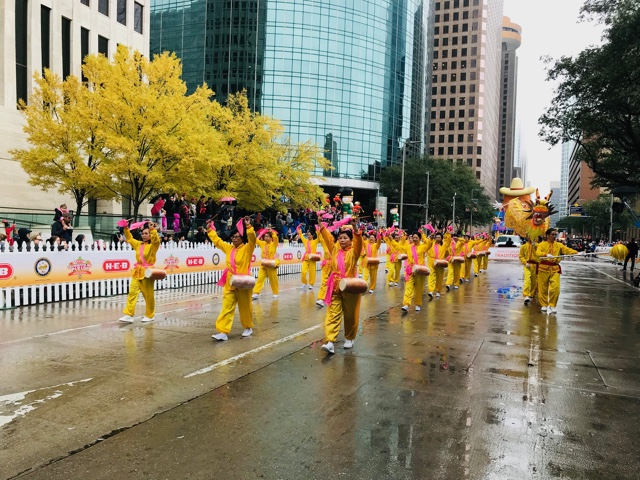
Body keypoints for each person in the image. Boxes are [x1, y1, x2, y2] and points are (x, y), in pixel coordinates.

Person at [318, 218, 363, 354]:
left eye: (345, 238)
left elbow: (359, 242)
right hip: (335, 287)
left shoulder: (354, 252)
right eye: (340, 238)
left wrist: (355, 228)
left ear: (350, 240)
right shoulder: (335, 251)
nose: (342, 240)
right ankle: (330, 342)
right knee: (333, 314)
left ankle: (349, 337)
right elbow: (328, 239)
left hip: (349, 287)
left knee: (350, 315)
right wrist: (321, 226)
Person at [208, 217, 256, 341]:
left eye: (237, 237)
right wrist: (211, 230)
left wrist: (248, 227)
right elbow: (218, 241)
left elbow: (253, 239)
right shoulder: (229, 248)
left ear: (242, 238)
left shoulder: (247, 248)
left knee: (245, 307)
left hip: (243, 283)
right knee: (227, 306)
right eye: (233, 237)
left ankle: (248, 327)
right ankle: (223, 331)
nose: (234, 239)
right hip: (230, 282)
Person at [119, 222, 161, 323]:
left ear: (150, 235)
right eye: (143, 233)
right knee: (132, 293)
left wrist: (153, 230)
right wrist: (126, 228)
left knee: (148, 295)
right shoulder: (139, 244)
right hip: (137, 272)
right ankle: (129, 314)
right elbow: (130, 239)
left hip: (147, 273)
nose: (144, 235)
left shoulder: (153, 246)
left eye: (146, 233)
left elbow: (156, 240)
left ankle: (150, 315)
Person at [535, 228, 579, 314]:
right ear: (548, 235)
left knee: (555, 288)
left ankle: (552, 305)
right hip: (543, 268)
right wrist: (546, 254)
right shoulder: (542, 245)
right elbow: (537, 253)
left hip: (555, 268)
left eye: (555, 234)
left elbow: (567, 250)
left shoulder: (559, 245)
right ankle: (544, 304)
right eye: (552, 234)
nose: (554, 236)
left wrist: (576, 253)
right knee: (543, 288)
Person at [386, 230, 429, 312]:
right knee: (408, 287)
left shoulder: (423, 247)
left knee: (419, 288)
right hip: (410, 270)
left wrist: (424, 235)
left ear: (419, 238)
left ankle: (418, 304)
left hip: (419, 270)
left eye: (416, 238)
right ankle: (406, 304)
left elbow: (429, 244)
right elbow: (399, 247)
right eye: (413, 237)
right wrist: (391, 240)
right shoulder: (409, 247)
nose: (414, 239)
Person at [252, 230, 279, 299]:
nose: (266, 238)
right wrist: (260, 234)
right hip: (263, 264)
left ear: (271, 238)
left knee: (273, 279)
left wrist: (272, 232)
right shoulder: (262, 243)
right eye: (265, 236)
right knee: (260, 278)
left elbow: (276, 238)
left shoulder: (274, 244)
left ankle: (275, 293)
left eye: (267, 236)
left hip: (271, 264)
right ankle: (256, 292)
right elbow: (256, 240)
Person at [426, 231, 452, 299]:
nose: (438, 238)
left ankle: (438, 291)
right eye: (437, 237)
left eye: (439, 237)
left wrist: (448, 234)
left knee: (439, 278)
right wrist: (430, 237)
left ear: (441, 238)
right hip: (432, 262)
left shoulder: (444, 245)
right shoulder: (432, 243)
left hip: (440, 263)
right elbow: (428, 243)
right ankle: (431, 291)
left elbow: (448, 241)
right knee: (431, 276)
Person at [297, 225, 319, 290]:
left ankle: (311, 284)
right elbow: (301, 236)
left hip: (312, 258)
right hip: (306, 258)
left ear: (312, 235)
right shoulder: (305, 241)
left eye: (310, 235)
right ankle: (304, 283)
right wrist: (299, 229)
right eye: (308, 235)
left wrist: (317, 230)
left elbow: (319, 236)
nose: (309, 236)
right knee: (303, 271)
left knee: (312, 272)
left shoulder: (315, 241)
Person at [519, 237, 539, 306]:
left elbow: (539, 254)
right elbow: (521, 256)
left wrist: (535, 247)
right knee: (527, 280)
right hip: (527, 265)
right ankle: (526, 295)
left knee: (534, 281)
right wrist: (525, 262)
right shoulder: (523, 246)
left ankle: (531, 294)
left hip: (535, 265)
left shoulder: (538, 245)